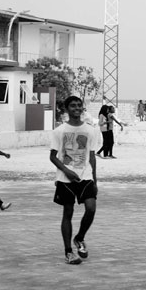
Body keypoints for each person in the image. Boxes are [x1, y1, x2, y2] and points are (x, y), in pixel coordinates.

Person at [49, 95, 102, 266]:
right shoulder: (59, 131)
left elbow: (92, 156)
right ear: (67, 109)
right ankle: (68, 252)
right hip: (65, 179)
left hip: (85, 176)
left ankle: (79, 238)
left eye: (79, 105)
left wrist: (94, 179)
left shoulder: (90, 130)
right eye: (73, 106)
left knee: (91, 208)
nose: (77, 108)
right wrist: (66, 170)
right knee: (68, 212)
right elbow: (52, 156)